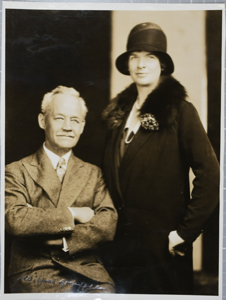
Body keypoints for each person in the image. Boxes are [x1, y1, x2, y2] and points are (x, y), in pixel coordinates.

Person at [102, 22, 219, 294]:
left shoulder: (181, 112)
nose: (141, 64)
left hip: (162, 249)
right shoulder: (117, 117)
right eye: (135, 56)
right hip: (120, 247)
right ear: (128, 64)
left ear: (162, 65)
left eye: (150, 57)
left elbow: (211, 175)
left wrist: (184, 233)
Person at [5, 85, 118, 293]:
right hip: (34, 270)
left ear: (82, 126)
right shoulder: (15, 170)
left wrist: (63, 239)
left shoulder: (93, 173)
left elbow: (107, 222)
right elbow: (16, 220)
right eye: (59, 118)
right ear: (42, 121)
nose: (68, 127)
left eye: (75, 120)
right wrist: (74, 214)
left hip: (85, 269)